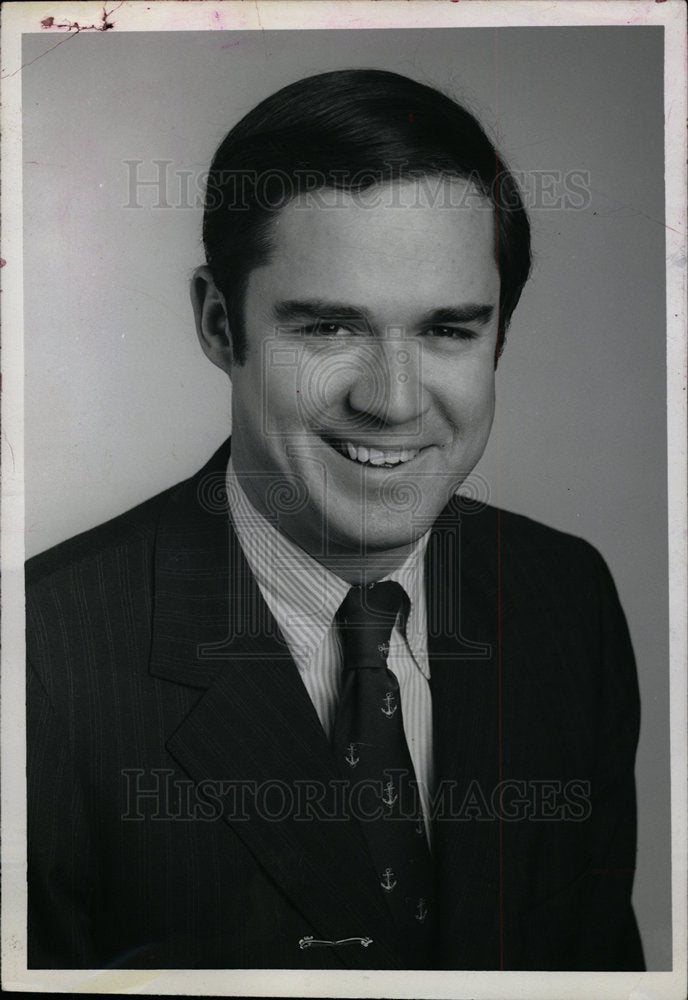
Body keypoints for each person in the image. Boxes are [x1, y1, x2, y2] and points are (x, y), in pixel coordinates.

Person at [26, 68, 644, 971]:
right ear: (216, 322)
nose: (393, 401)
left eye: (447, 331)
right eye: (327, 329)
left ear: (498, 337)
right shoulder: (39, 656)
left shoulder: (567, 597)